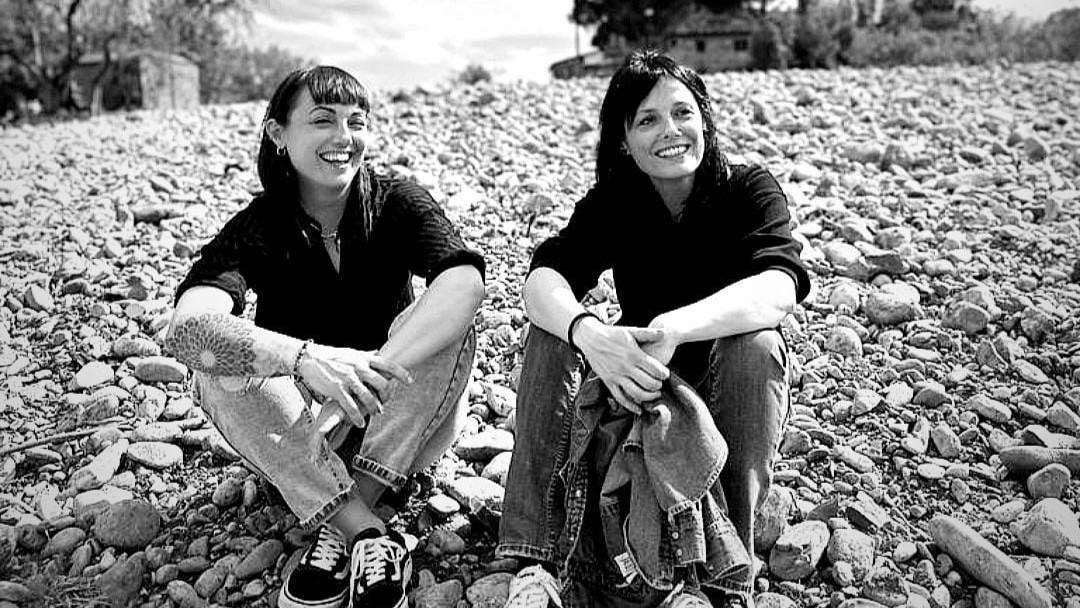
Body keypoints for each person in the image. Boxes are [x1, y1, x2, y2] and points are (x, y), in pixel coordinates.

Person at [496, 49, 811, 608]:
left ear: (704, 120)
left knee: (758, 345)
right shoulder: (618, 199)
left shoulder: (747, 189)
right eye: (647, 119)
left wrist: (674, 328)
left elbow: (778, 286)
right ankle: (533, 556)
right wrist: (590, 334)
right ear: (624, 140)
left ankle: (721, 579)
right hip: (636, 382)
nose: (671, 131)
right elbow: (543, 278)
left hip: (719, 390)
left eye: (683, 113)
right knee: (552, 331)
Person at [166, 66, 485, 608]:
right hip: (303, 435)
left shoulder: (396, 201)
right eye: (322, 120)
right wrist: (307, 361)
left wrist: (363, 378)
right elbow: (189, 328)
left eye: (357, 121)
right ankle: (365, 529)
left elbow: (465, 283)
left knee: (447, 321)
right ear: (278, 133)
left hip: (400, 420)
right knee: (216, 363)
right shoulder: (257, 227)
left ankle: (339, 513)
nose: (345, 136)